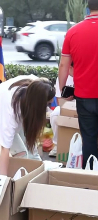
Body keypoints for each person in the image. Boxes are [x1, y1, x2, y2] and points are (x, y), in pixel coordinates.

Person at [0, 75, 55, 175]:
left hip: (24, 108)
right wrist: (2, 182)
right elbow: (5, 149)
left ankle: (39, 178)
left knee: (32, 151)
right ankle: (22, 183)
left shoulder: (39, 87)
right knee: (22, 153)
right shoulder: (9, 113)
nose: (48, 109)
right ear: (38, 104)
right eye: (47, 104)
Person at [59, 0, 98, 169]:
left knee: (88, 138)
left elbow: (64, 66)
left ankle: (89, 178)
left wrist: (63, 90)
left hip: (84, 96)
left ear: (88, 8)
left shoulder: (73, 32)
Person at [49, 63, 74, 157]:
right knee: (55, 113)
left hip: (85, 105)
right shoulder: (63, 77)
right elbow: (60, 102)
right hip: (68, 106)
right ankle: (57, 145)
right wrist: (67, 100)